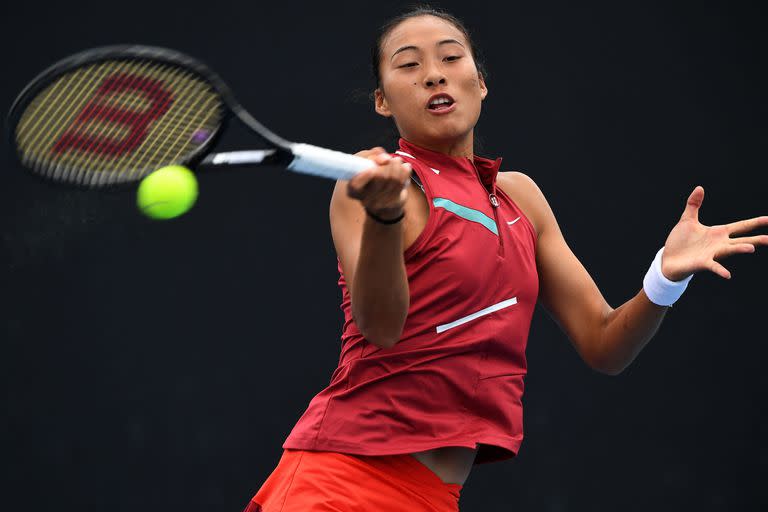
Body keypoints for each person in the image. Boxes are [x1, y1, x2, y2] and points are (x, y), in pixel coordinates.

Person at [242, 6, 768, 512]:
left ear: (481, 82)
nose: (433, 75)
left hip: (434, 497)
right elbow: (380, 327)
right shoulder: (369, 179)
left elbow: (605, 344)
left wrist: (665, 278)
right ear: (383, 101)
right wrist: (383, 218)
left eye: (451, 58)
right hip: (342, 481)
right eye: (409, 64)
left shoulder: (521, 199)